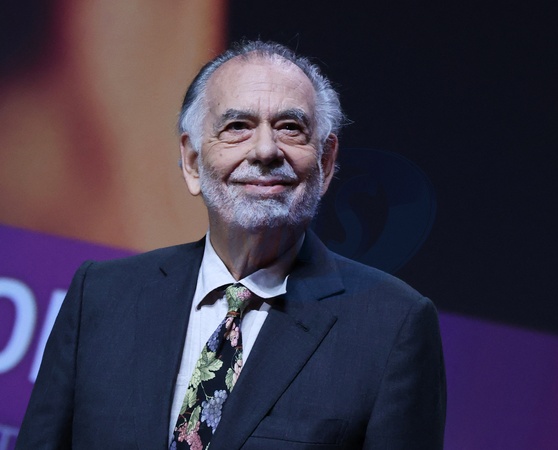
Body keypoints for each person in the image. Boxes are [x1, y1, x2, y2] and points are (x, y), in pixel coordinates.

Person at [16, 40, 446, 449]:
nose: (265, 150)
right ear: (192, 161)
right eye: (237, 127)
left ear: (326, 162)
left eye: (290, 128)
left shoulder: (394, 326)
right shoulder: (101, 295)